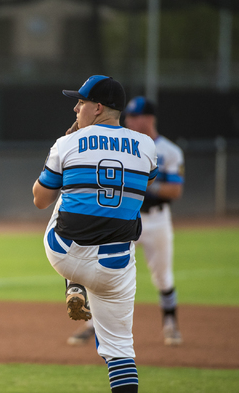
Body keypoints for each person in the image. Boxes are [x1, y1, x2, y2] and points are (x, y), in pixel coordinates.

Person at [33, 75, 158, 393]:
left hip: (65, 253)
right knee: (120, 353)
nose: (76, 108)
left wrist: (66, 153)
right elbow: (146, 184)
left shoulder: (67, 143)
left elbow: (39, 200)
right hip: (115, 269)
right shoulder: (147, 146)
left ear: (98, 108)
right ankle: (81, 285)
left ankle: (74, 283)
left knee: (65, 194)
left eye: (81, 102)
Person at [66, 96, 185, 347]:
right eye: (128, 115)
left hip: (157, 220)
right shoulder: (123, 146)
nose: (129, 120)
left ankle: (170, 325)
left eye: (135, 116)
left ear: (149, 118)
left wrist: (139, 183)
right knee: (102, 269)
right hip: (125, 218)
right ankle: (92, 326)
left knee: (163, 276)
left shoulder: (170, 151)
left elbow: (174, 191)